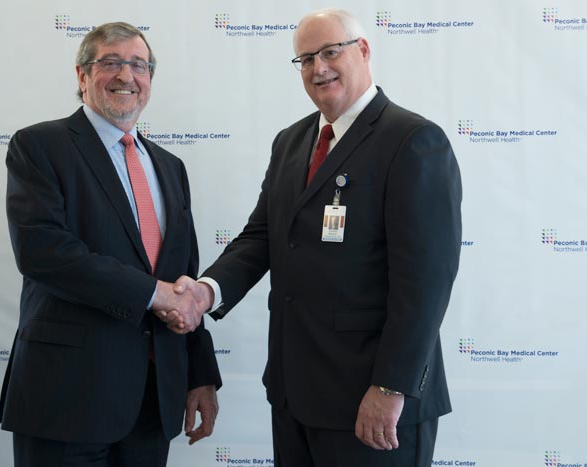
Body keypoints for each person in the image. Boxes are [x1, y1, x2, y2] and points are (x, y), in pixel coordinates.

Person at [164, 8, 462, 467]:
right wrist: (206, 292)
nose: (318, 67)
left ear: (362, 51)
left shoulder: (413, 140)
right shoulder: (291, 141)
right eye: (305, 59)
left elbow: (425, 283)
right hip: (295, 394)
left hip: (374, 401)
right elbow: (261, 237)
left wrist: (389, 387)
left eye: (329, 52)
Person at [0, 21, 221, 467]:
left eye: (139, 65)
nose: (126, 75)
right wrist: (153, 293)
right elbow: (43, 251)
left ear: (150, 80)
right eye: (111, 62)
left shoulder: (170, 166)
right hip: (67, 397)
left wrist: (200, 375)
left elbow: (184, 277)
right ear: (82, 77)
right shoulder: (40, 145)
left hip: (153, 401)